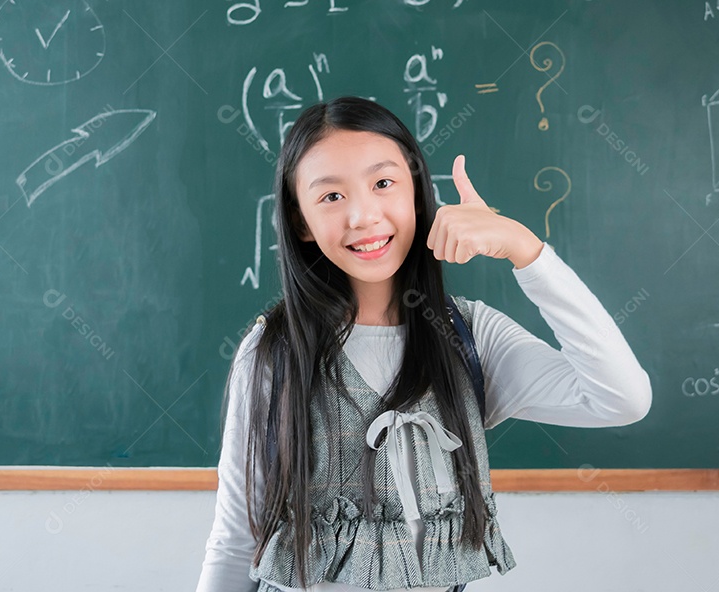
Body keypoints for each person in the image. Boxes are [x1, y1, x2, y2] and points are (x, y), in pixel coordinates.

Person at [196, 96, 652, 591]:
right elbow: (236, 541)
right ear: (301, 222)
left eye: (383, 183)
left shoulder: (471, 336)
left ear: (416, 192)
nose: (362, 216)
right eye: (331, 196)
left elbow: (621, 398)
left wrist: (526, 250)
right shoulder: (274, 351)